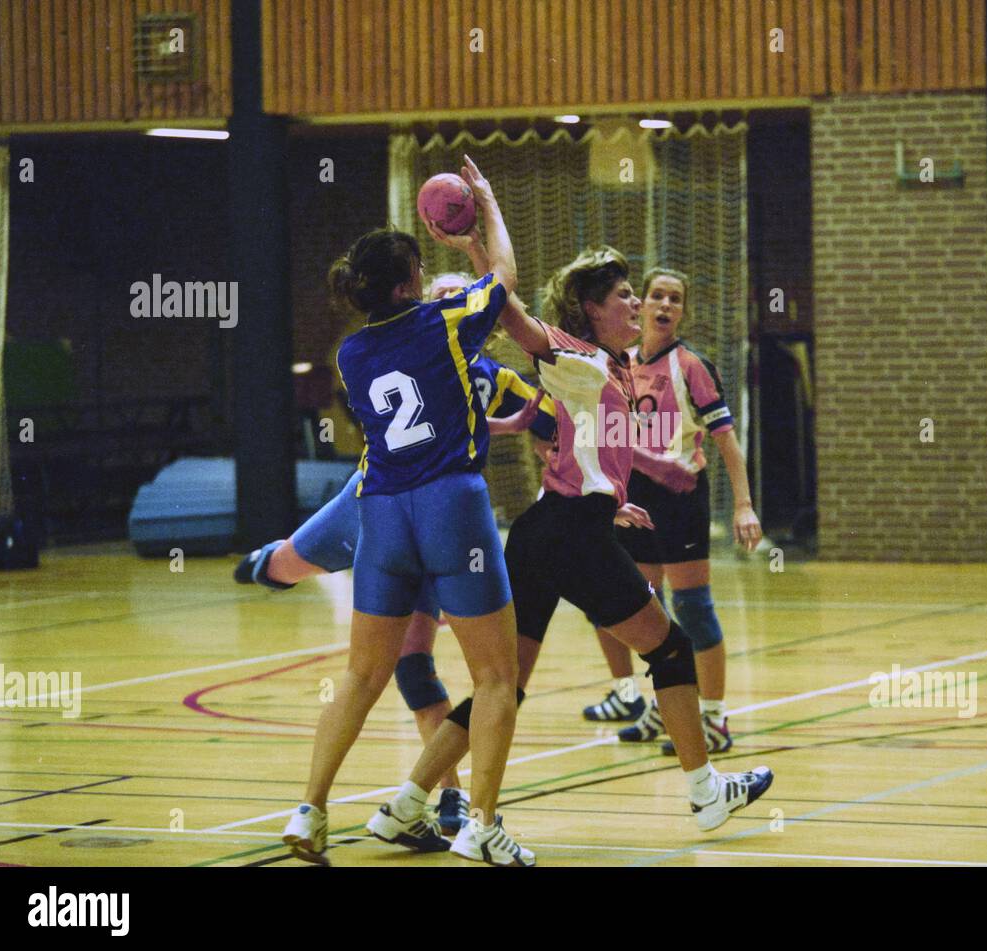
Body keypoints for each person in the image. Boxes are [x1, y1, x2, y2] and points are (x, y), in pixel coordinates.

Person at [368, 244, 773, 840]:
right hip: (568, 535)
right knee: (670, 651)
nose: (636, 301)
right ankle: (706, 793)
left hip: (550, 529)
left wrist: (611, 496)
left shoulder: (613, 365)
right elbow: (510, 311)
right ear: (592, 308)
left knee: (502, 685)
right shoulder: (575, 356)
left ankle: (402, 805)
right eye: (623, 296)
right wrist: (481, 239)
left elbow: (583, 445)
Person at [281, 156, 536, 867]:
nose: (428, 280)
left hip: (382, 513)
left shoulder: (352, 353)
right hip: (450, 502)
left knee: (362, 676)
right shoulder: (444, 323)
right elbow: (507, 280)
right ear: (405, 283)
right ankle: (481, 825)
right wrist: (484, 207)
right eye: (420, 271)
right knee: (496, 677)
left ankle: (309, 810)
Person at [235, 272, 554, 836]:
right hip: (403, 505)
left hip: (396, 509)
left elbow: (546, 420)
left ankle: (433, 800)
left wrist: (521, 426)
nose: (446, 298)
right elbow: (537, 414)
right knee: (289, 563)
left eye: (456, 294)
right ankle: (270, 566)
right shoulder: (441, 347)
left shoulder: (468, 364)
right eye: (438, 291)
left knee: (404, 667)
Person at [584, 268, 763, 757]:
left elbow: (726, 440)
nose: (665, 305)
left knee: (694, 610)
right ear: (640, 305)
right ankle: (663, 708)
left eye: (675, 299)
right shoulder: (619, 364)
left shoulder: (691, 365)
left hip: (680, 499)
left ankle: (713, 720)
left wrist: (744, 505)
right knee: (644, 610)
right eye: (657, 295)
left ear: (683, 311)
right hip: (633, 501)